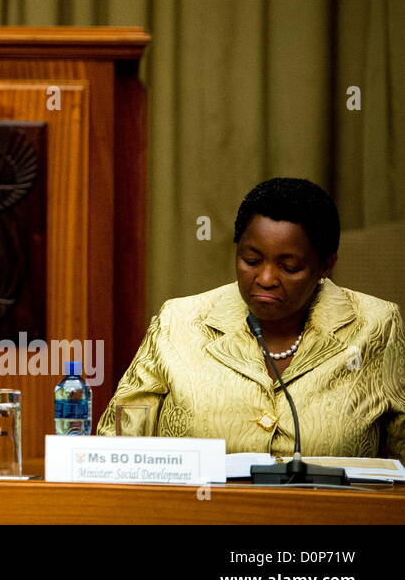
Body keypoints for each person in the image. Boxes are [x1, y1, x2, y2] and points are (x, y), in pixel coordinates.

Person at [98, 177, 405, 459]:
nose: (266, 278)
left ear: (326, 265)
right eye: (251, 260)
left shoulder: (376, 325)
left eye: (289, 266)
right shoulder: (179, 321)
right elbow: (116, 445)